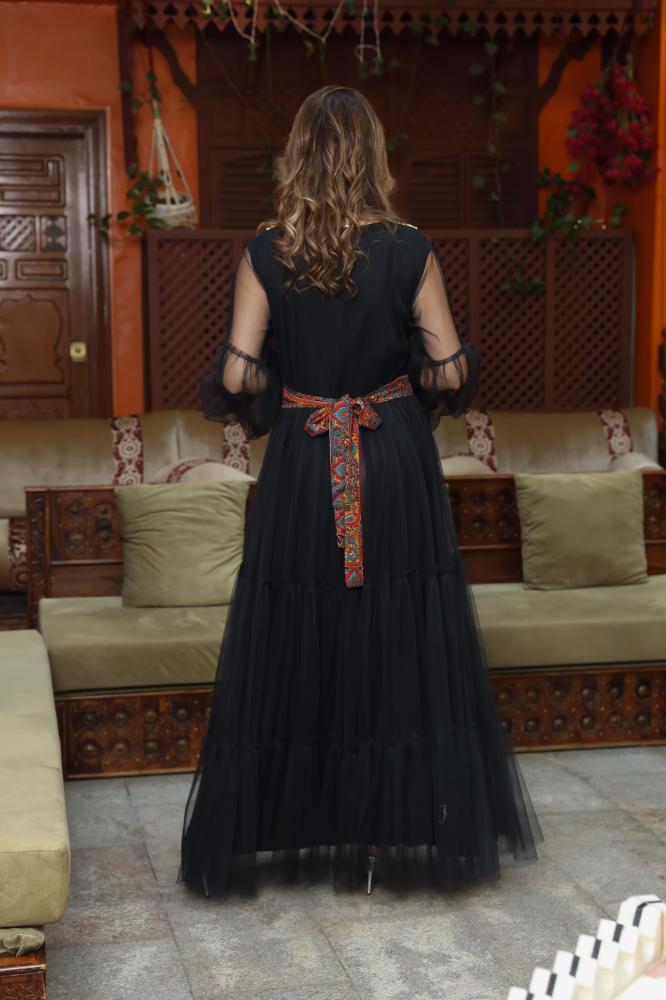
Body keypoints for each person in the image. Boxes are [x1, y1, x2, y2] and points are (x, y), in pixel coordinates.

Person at [178, 84, 543, 898]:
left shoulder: (266, 251)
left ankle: (307, 822)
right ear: (374, 157)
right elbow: (446, 369)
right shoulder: (410, 249)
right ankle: (391, 829)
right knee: (399, 634)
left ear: (297, 157)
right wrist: (397, 373)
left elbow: (236, 375)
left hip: (305, 462)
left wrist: (292, 379)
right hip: (392, 456)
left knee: (302, 632)